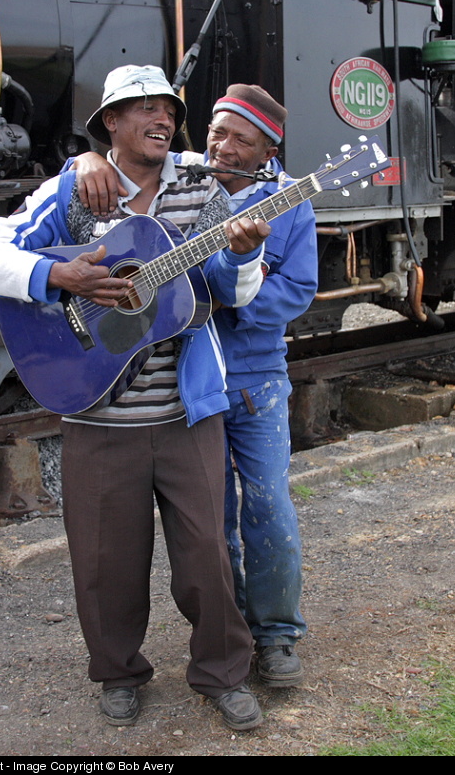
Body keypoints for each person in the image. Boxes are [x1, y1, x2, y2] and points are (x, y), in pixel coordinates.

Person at [0, 65, 271, 732]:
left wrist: (244, 254)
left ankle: (223, 673)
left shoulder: (201, 188)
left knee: (207, 557)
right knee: (105, 563)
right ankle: (118, 672)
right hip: (97, 410)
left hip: (186, 412)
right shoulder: (74, 188)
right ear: (111, 121)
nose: (162, 118)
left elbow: (235, 292)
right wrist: (59, 274)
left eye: (169, 110)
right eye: (144, 108)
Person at [72, 83, 318, 689]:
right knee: (212, 524)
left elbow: (298, 289)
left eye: (242, 141)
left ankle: (277, 633)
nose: (223, 147)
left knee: (267, 504)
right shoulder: (182, 173)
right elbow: (119, 155)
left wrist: (223, 296)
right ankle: (232, 631)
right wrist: (88, 157)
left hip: (253, 377)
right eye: (217, 132)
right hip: (189, 383)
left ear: (268, 152)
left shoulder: (289, 201)